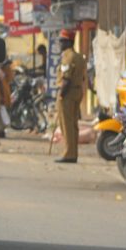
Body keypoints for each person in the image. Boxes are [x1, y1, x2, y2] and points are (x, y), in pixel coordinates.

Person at [54, 31, 87, 163]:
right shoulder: (79, 57)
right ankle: (73, 152)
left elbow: (66, 79)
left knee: (66, 125)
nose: (60, 43)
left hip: (67, 93)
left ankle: (68, 153)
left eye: (62, 41)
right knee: (73, 125)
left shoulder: (68, 57)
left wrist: (61, 94)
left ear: (68, 42)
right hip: (77, 92)